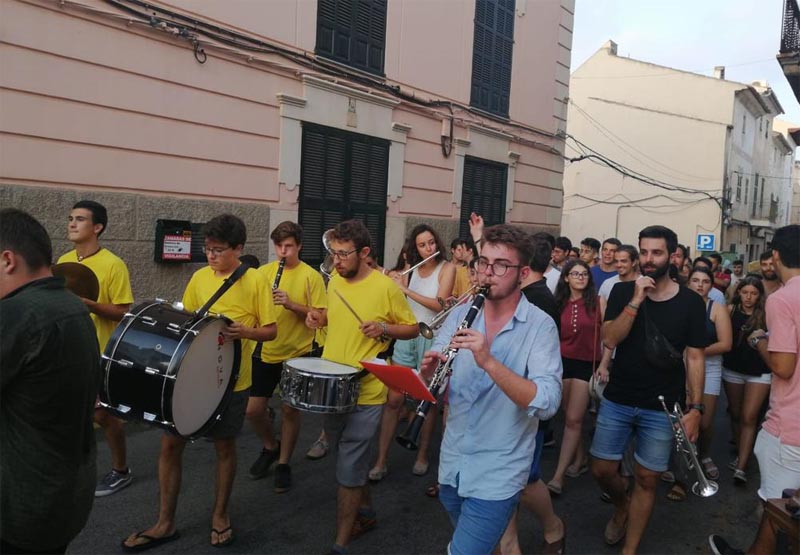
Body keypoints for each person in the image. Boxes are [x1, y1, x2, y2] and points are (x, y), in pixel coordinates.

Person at [123, 214, 277, 550]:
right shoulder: (198, 277)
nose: (211, 255)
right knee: (170, 444)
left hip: (232, 382)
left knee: (224, 447)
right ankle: (165, 522)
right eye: (207, 249)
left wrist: (246, 332)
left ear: (238, 248)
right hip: (192, 378)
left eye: (218, 250)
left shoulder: (255, 281)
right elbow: (189, 323)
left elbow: (271, 330)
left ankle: (220, 515)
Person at [420, 224, 562, 555]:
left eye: (500, 266)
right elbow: (436, 383)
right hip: (453, 463)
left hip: (500, 471)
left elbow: (547, 403)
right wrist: (428, 375)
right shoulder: (460, 314)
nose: (486, 272)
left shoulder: (540, 326)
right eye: (483, 262)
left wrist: (488, 361)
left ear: (523, 273)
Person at [590, 225, 706, 554]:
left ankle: (630, 549)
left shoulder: (690, 302)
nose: (649, 259)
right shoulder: (623, 292)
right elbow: (610, 339)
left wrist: (696, 409)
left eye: (657, 252)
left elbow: (695, 357)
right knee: (602, 469)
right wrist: (636, 300)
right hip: (619, 397)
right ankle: (621, 506)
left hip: (662, 405)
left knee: (647, 478)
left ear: (672, 255)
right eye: (644, 252)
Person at [305, 219, 418, 555]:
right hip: (332, 387)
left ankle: (340, 543)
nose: (336, 261)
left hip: (366, 390)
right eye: (333, 253)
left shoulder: (385, 287)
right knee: (346, 459)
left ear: (365, 252)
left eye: (343, 254)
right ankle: (365, 511)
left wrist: (384, 327)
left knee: (349, 466)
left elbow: (412, 328)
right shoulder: (334, 281)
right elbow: (332, 317)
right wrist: (319, 318)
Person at [0, 209, 99, 555]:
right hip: (66, 494)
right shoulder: (72, 305)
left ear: (7, 260)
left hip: (23, 503)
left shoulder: (17, 314)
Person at [709, 224, 800, 555]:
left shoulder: (782, 298)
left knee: (778, 510)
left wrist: (760, 340)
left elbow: (783, 367)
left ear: (774, 256)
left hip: (790, 427)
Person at [57, 200, 134, 497]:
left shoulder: (113, 264)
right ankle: (74, 467)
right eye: (70, 218)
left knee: (103, 416)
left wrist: (89, 305)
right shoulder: (64, 260)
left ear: (97, 227)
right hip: (69, 350)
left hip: (100, 352)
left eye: (80, 219)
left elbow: (123, 311)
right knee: (71, 412)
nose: (72, 223)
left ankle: (121, 470)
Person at [370, 224, 455, 481]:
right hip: (408, 336)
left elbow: (439, 304)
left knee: (425, 400)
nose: (429, 248)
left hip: (433, 338)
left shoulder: (447, 268)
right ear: (415, 248)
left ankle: (422, 455)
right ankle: (381, 460)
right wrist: (390, 278)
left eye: (431, 242)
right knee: (394, 399)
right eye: (422, 245)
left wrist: (405, 289)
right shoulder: (412, 268)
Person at [247, 221, 327, 492]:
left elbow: (321, 315)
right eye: (279, 246)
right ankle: (270, 446)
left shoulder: (311, 276)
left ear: (299, 246)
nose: (283, 251)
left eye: (289, 246)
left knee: (290, 409)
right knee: (253, 410)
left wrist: (291, 304)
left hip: (297, 352)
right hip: (266, 350)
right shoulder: (262, 273)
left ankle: (283, 463)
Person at [498, 237, 564, 555]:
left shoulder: (538, 301)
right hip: (502, 404)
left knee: (524, 481)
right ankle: (509, 543)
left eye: (502, 264)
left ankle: (553, 525)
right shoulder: (520, 294)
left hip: (526, 407)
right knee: (506, 481)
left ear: (522, 268)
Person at [546, 259, 603, 497]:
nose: (580, 277)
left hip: (586, 363)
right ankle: (580, 457)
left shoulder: (598, 302)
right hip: (561, 362)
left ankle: (558, 476)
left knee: (573, 418)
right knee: (568, 415)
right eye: (575, 273)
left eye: (584, 274)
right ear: (566, 277)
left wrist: (605, 364)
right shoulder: (557, 303)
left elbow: (608, 335)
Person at [685, 266, 732, 490]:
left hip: (710, 367)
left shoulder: (717, 308)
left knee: (704, 421)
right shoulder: (680, 305)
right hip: (679, 367)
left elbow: (726, 344)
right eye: (695, 280)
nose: (700, 285)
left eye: (705, 281)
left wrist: (695, 350)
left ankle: (704, 455)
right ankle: (681, 460)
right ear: (688, 283)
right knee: (680, 416)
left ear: (711, 286)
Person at [721, 276, 771, 485]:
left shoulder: (766, 314)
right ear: (739, 292)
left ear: (760, 296)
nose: (749, 297)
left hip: (759, 372)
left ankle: (741, 466)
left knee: (749, 417)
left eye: (754, 293)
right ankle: (742, 450)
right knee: (735, 413)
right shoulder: (729, 310)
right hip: (733, 369)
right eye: (745, 292)